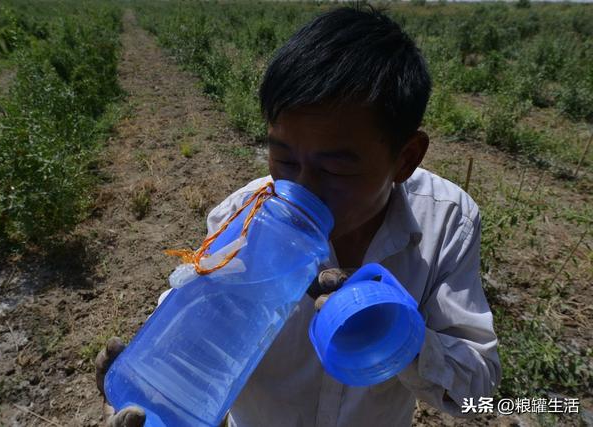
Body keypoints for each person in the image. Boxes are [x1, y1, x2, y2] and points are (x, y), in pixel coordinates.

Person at [95, 5, 501, 426]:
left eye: (335, 168)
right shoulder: (244, 217)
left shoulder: (447, 222)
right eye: (284, 159)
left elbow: (479, 386)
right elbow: (192, 325)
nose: (301, 189)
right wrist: (147, 372)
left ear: (406, 158)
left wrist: (398, 338)